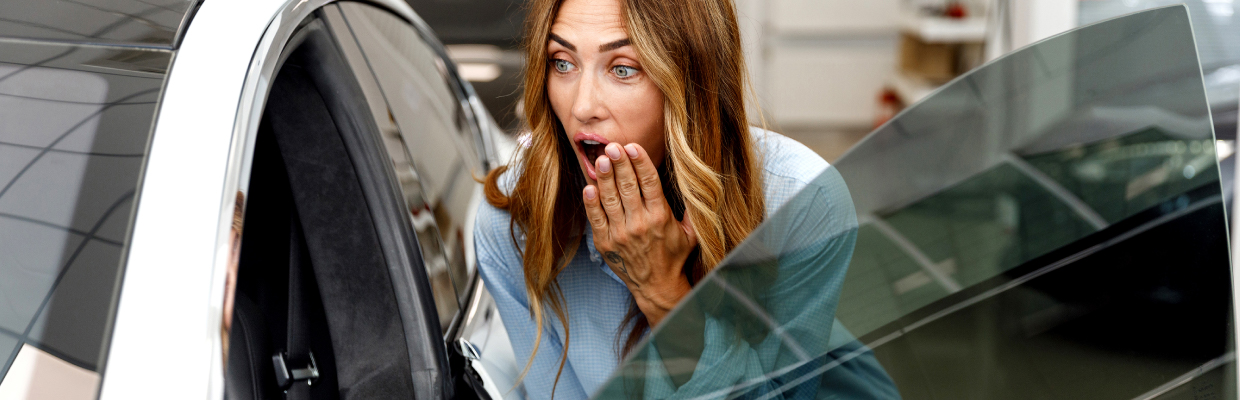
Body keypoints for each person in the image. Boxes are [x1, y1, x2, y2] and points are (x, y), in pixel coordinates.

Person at [474, 0, 887, 397]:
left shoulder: (801, 201)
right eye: (562, 63)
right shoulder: (512, 222)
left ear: (691, 81)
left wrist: (662, 292)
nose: (582, 107)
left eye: (622, 69)